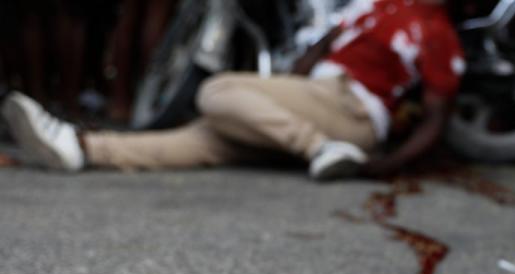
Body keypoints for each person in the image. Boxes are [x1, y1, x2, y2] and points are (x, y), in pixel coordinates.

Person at [1, 0, 464, 180]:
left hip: (352, 112)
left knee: (217, 91)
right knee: (205, 139)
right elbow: (309, 60)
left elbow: (435, 118)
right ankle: (81, 147)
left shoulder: (435, 27)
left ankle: (321, 148)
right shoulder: (375, 4)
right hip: (311, 97)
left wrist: (381, 167)